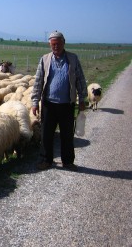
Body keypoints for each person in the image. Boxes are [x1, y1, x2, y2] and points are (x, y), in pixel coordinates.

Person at [31, 30, 87, 171]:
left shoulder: (73, 59)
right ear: (50, 44)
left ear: (64, 43)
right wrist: (34, 101)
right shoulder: (44, 59)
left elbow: (80, 79)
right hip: (49, 104)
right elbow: (38, 81)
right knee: (46, 134)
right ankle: (45, 160)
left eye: (58, 43)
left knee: (67, 134)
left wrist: (82, 98)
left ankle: (68, 161)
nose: (55, 46)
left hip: (67, 104)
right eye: (53, 44)